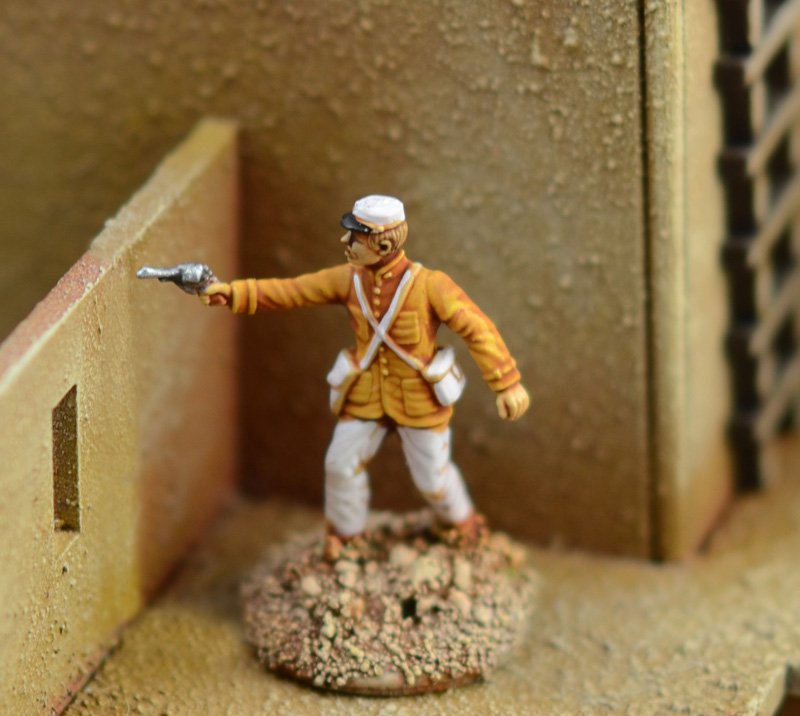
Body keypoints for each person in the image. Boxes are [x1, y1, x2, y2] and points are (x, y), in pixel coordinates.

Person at [203, 195, 530, 557]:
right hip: (366, 395)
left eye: (355, 237)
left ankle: (462, 524)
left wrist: (506, 383)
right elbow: (292, 291)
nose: (345, 241)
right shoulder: (348, 280)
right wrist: (232, 294)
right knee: (340, 466)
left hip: (420, 400)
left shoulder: (431, 286)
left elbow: (476, 328)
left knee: (433, 479)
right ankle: (346, 536)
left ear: (384, 245)